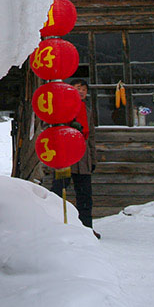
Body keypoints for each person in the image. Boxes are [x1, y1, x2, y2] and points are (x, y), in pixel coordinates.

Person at [49, 79, 101, 239]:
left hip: (83, 158)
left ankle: (86, 228)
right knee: (58, 192)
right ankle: (53, 226)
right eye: (78, 88)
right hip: (65, 155)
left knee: (85, 194)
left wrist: (93, 159)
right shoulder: (63, 106)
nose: (81, 91)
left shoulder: (88, 110)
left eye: (84, 89)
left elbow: (90, 135)